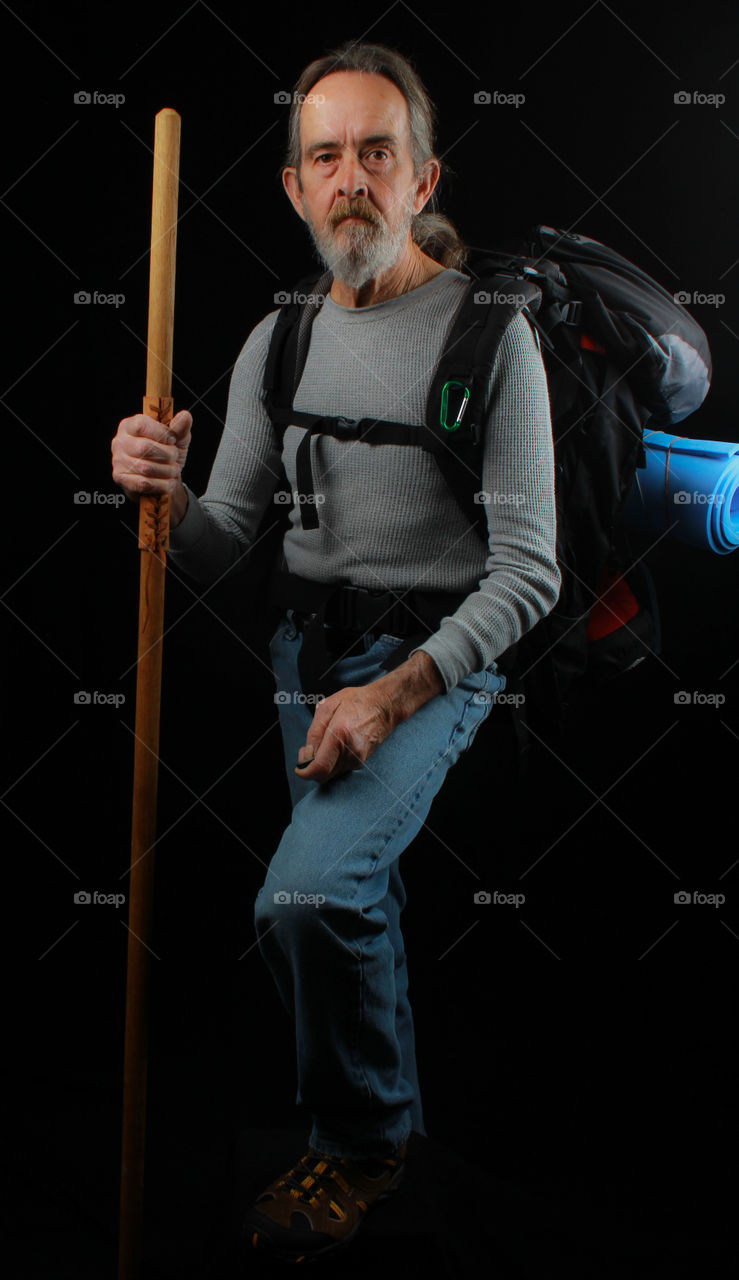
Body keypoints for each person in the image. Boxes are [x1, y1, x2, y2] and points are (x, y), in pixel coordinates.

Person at [111, 40, 560, 1265]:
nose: (350, 176)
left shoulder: (490, 337)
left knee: (306, 897)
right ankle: (389, 1126)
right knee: (349, 890)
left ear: (420, 181)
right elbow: (219, 549)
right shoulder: (282, 339)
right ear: (296, 186)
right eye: (326, 155)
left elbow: (531, 573)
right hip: (302, 658)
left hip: (431, 661)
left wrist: (390, 696)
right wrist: (163, 492)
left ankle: (357, 1144)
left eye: (377, 151)